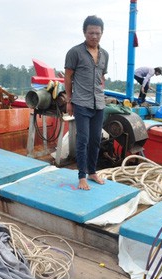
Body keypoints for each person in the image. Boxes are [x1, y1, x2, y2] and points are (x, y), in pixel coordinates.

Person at [64, 15, 109, 190]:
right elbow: (68, 77)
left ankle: (92, 172)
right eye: (91, 33)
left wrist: (101, 91)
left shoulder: (104, 54)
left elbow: (101, 77)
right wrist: (69, 100)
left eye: (97, 33)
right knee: (83, 139)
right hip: (81, 102)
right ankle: (81, 176)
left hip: (99, 103)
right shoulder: (75, 52)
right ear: (84, 33)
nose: (94, 36)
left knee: (96, 139)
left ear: (102, 33)